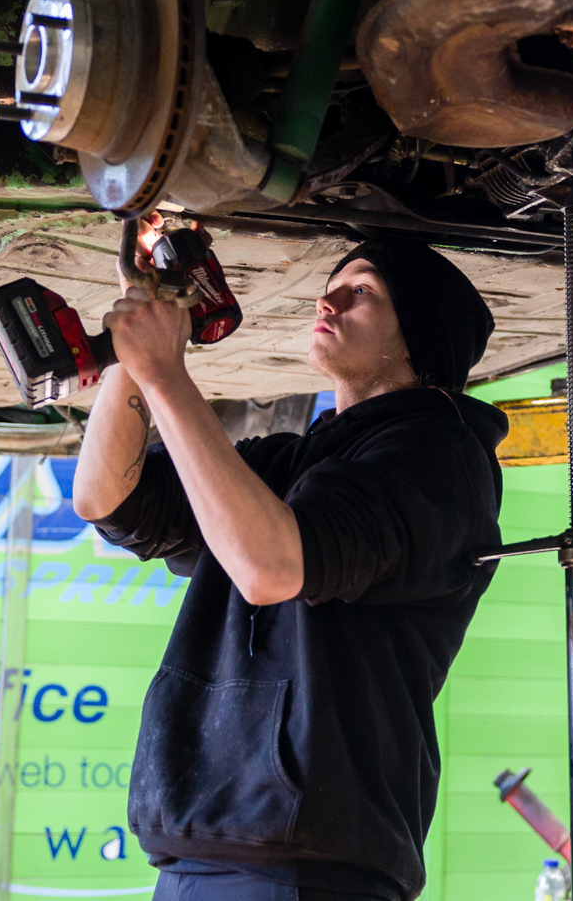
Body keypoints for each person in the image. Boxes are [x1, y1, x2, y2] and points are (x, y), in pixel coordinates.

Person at [73, 229, 506, 901]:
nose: (327, 302)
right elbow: (109, 498)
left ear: (417, 334)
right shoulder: (294, 461)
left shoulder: (436, 460)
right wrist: (133, 356)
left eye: (361, 292)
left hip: (308, 866)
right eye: (329, 288)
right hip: (205, 850)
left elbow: (271, 567)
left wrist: (166, 373)